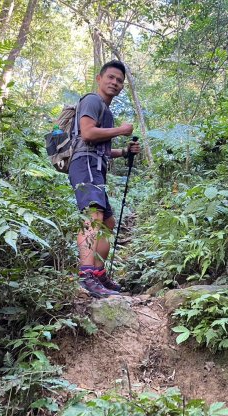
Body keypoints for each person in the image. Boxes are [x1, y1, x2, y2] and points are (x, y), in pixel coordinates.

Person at [68, 60, 140, 298]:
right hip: (84, 164)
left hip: (95, 166)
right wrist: (121, 130)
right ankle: (86, 275)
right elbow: (87, 133)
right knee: (93, 216)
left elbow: (101, 147)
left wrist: (123, 152)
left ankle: (99, 275)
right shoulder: (92, 100)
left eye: (119, 81)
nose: (115, 83)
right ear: (99, 79)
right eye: (110, 77)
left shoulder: (106, 111)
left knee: (107, 224)